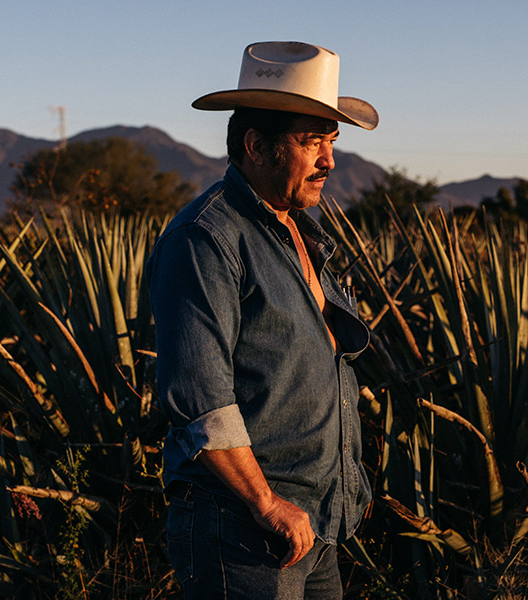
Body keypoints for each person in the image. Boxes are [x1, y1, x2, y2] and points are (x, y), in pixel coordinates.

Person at [146, 41, 379, 599]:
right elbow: (201, 398)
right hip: (245, 527)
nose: (328, 160)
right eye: (311, 142)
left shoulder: (298, 229)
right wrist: (266, 503)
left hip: (312, 521)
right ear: (255, 145)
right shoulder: (207, 237)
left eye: (331, 142)